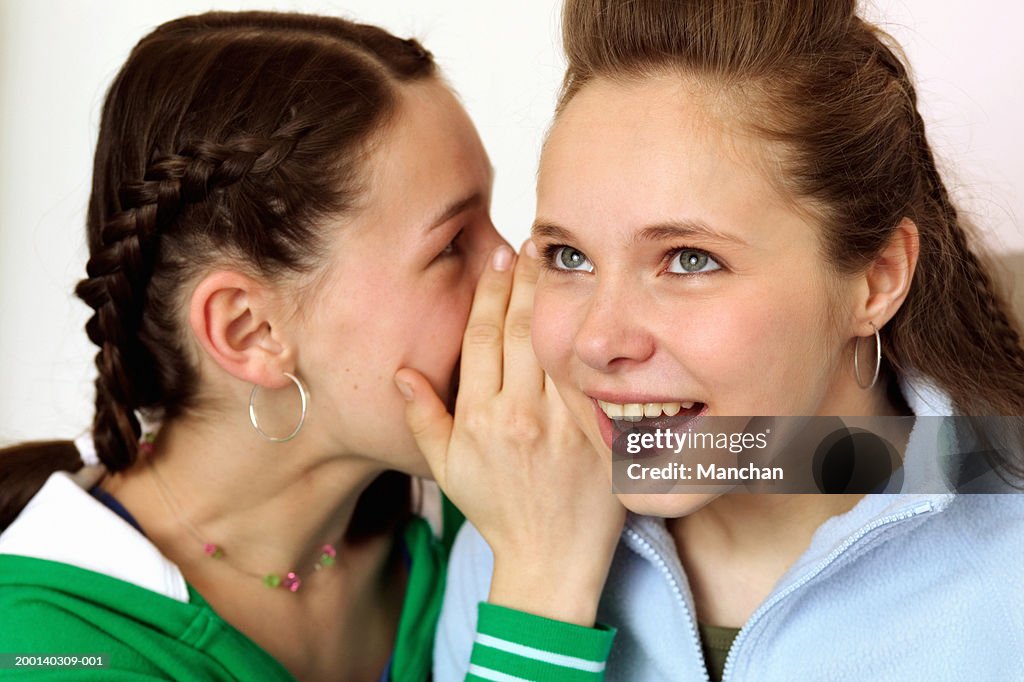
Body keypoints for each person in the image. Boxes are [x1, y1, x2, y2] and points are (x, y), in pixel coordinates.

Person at [0, 11, 624, 681]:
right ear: (251, 330)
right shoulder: (45, 645)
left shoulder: (493, 476)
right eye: (451, 247)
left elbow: (747, 456)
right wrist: (541, 582)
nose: (521, 270)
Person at [433, 1, 1024, 680]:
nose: (599, 340)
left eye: (689, 259)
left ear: (877, 279)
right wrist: (539, 592)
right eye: (569, 257)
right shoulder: (512, 544)